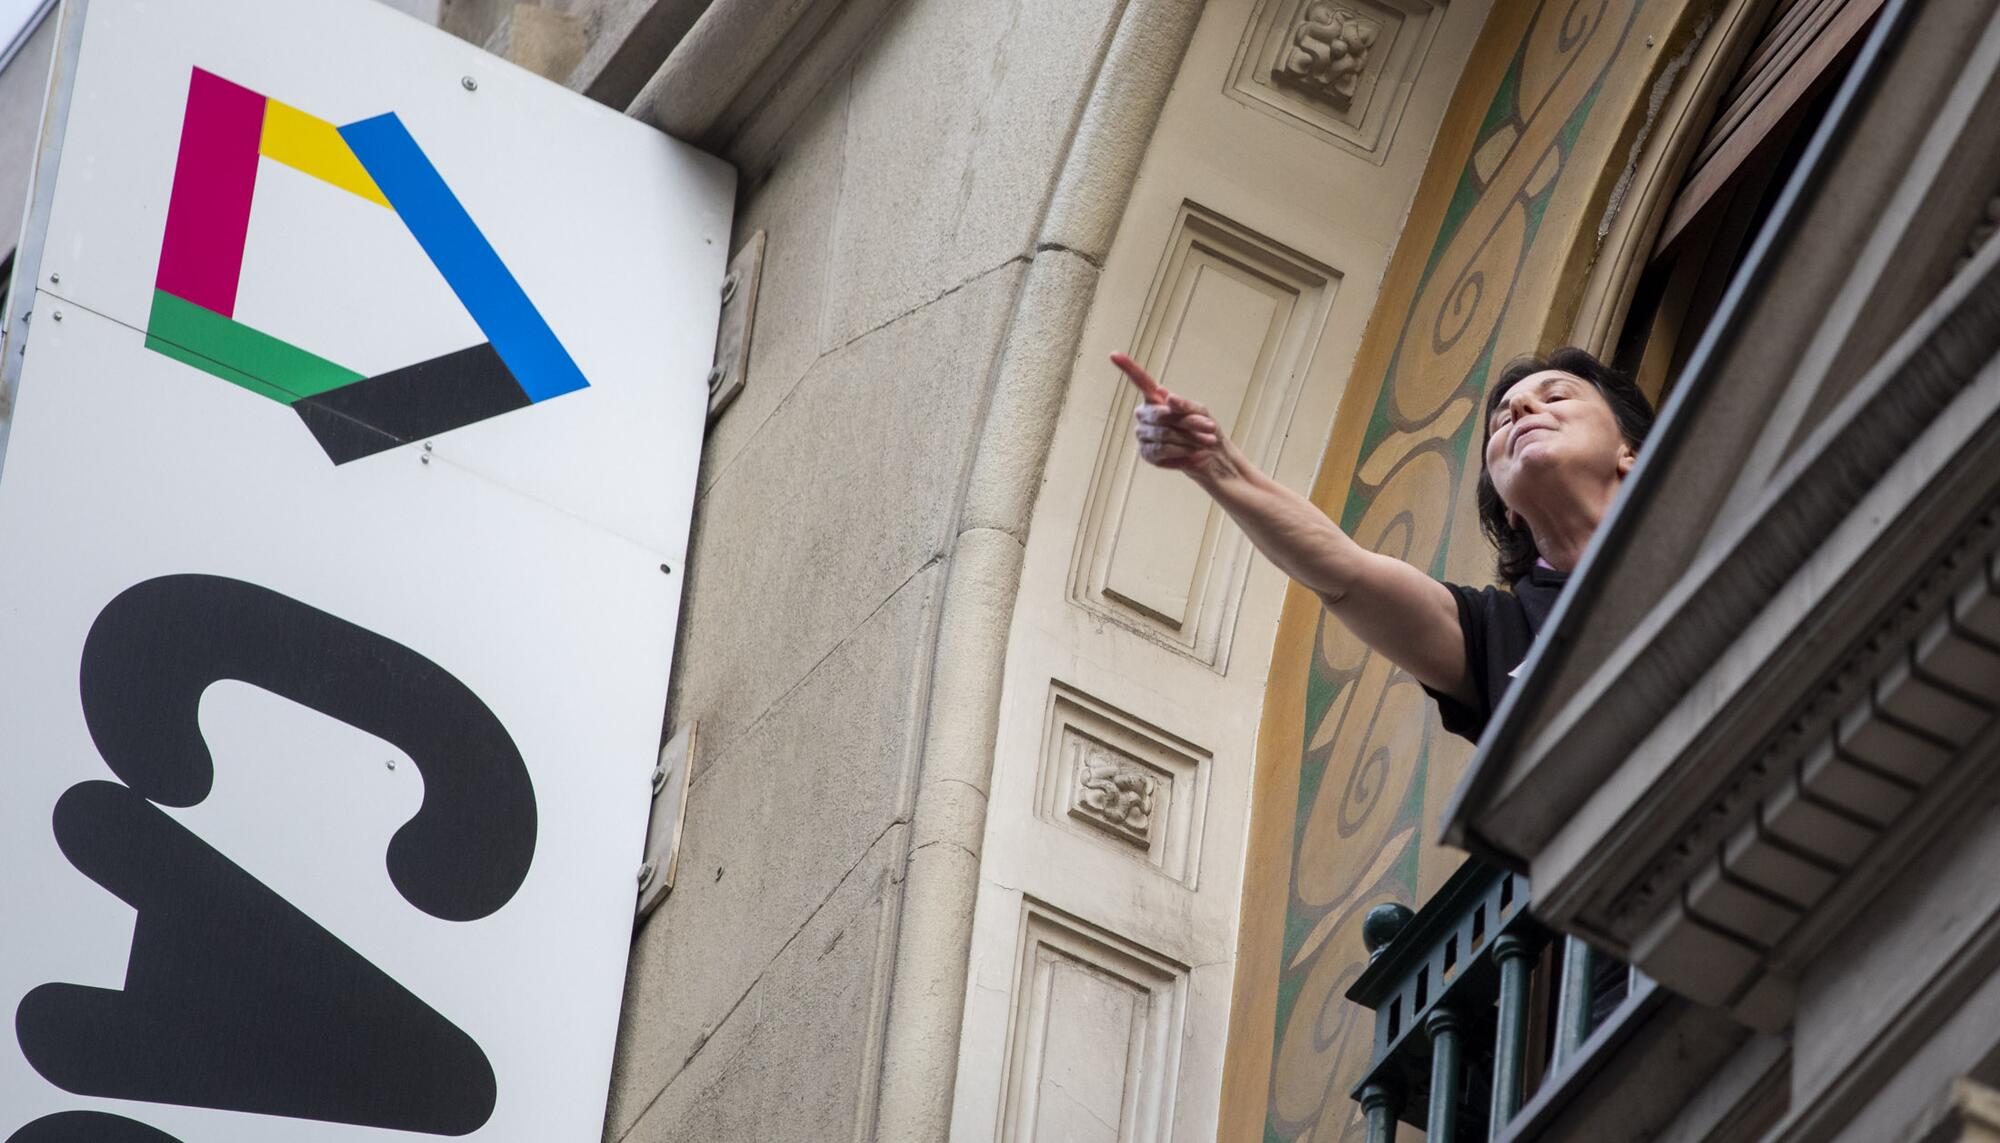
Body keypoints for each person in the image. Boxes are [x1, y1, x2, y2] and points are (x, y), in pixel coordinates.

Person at [1116, 346, 1654, 742]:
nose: (1520, 412)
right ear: (1509, 508)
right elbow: (1343, 575)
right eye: (1501, 420)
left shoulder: (1716, 516)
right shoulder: (1496, 633)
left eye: (1556, 396)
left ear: (1627, 450)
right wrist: (1219, 467)